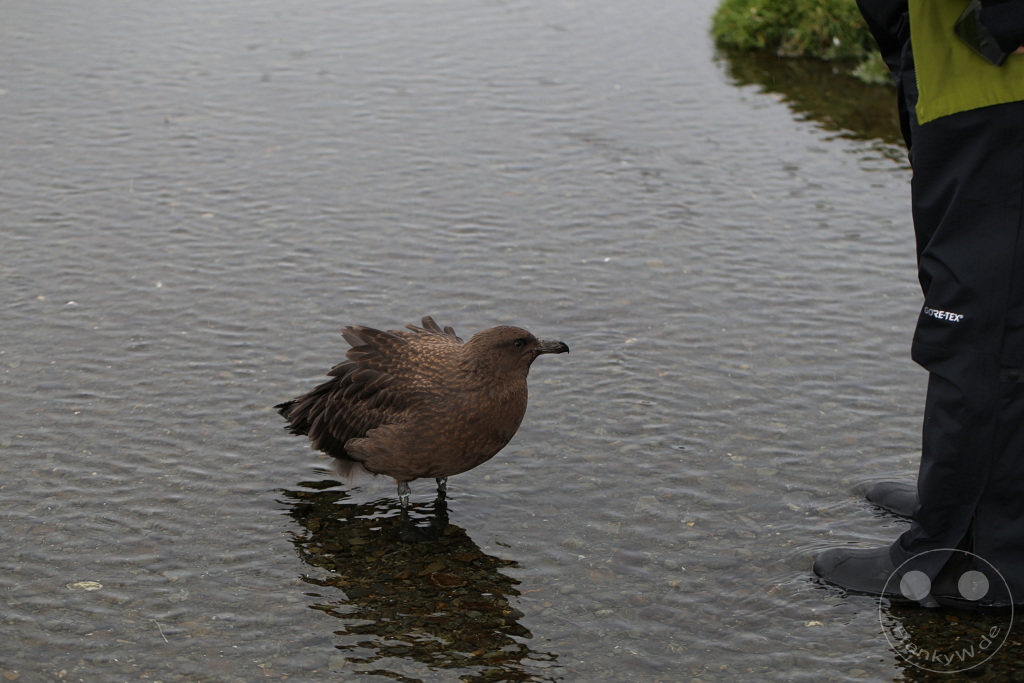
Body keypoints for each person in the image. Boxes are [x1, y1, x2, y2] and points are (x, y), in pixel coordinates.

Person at [812, 0, 1024, 608]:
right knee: (981, 302)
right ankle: (968, 503)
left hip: (995, 74)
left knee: (978, 320)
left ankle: (969, 555)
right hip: (952, 65)